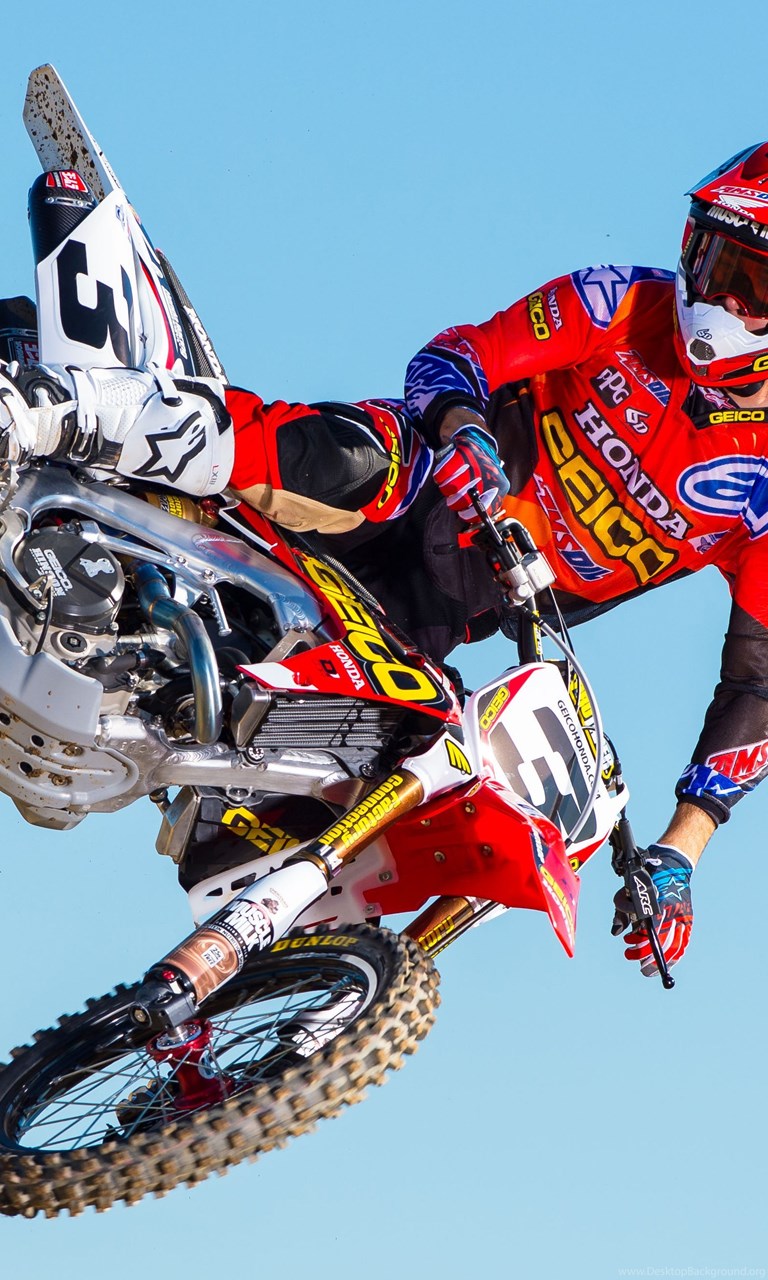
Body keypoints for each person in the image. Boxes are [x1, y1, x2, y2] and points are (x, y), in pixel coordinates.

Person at [3, 143, 768, 978]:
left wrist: (680, 852)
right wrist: (464, 431)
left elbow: (756, 686)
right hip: (414, 483)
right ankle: (44, 408)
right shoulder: (622, 301)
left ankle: (209, 1016)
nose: (717, 296)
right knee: (354, 457)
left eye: (751, 282)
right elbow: (453, 356)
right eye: (713, 258)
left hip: (440, 611)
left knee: (329, 800)